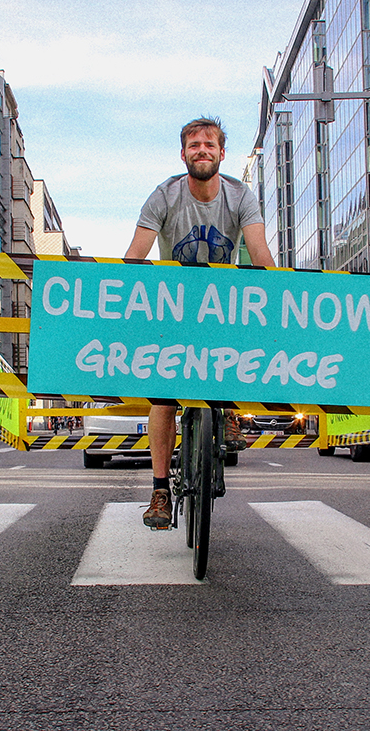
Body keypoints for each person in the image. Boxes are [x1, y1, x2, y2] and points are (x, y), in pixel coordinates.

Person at [125, 117, 276, 529]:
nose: (202, 150)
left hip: (220, 301)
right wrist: (124, 293)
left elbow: (259, 250)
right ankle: (160, 489)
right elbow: (135, 255)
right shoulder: (164, 195)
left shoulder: (240, 195)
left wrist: (279, 291)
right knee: (163, 396)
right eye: (194, 145)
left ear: (221, 153)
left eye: (209, 144)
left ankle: (226, 411)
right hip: (172, 304)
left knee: (238, 338)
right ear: (183, 154)